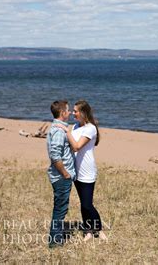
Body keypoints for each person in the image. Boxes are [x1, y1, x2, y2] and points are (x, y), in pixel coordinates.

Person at [54, 100, 107, 241]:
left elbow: (77, 146)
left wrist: (66, 131)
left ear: (83, 113)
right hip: (75, 170)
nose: (73, 113)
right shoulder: (76, 126)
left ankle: (99, 228)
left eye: (76, 111)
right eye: (72, 110)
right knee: (83, 204)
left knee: (87, 204)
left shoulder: (90, 128)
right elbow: (70, 145)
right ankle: (88, 230)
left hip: (87, 171)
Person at [46, 100, 76, 248]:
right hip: (61, 177)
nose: (70, 112)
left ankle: (55, 239)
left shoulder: (60, 128)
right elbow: (55, 156)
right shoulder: (58, 131)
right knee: (60, 209)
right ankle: (55, 242)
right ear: (62, 113)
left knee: (60, 207)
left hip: (60, 176)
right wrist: (65, 174)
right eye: (68, 110)